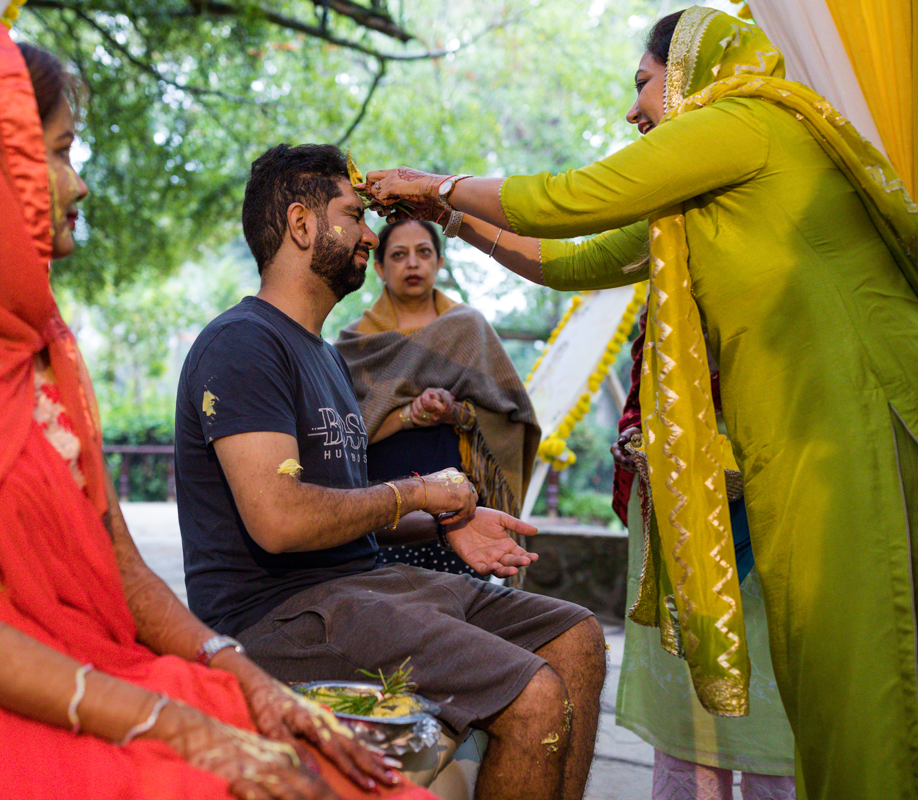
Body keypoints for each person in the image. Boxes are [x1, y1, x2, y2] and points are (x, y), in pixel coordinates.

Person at [0, 24, 430, 800]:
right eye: (61, 153)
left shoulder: (36, 339)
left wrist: (235, 671)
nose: (80, 183)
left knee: (347, 773)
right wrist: (178, 724)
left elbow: (121, 568)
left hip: (77, 660)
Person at [362, 6, 918, 798]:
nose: (633, 109)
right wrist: (450, 217)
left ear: (689, 68)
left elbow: (575, 197)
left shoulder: (744, 119)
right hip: (793, 443)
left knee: (865, 682)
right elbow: (576, 258)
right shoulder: (697, 191)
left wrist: (437, 182)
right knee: (821, 683)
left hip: (855, 425)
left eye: (643, 84)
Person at [174, 142, 607, 800]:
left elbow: (348, 516)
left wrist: (446, 521)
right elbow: (281, 519)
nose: (369, 234)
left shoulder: (321, 356)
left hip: (367, 586)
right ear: (300, 225)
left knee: (577, 638)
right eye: (354, 215)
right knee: (534, 695)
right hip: (283, 616)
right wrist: (419, 490)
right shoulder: (243, 343)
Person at [611, 312, 796, 800]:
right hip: (674, 498)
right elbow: (641, 400)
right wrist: (638, 442)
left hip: (782, 484)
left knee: (780, 699)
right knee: (687, 699)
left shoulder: (783, 277)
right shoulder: (668, 278)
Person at [333, 220, 540, 575]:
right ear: (380, 268)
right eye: (399, 255)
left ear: (439, 263)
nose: (412, 264)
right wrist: (410, 415)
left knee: (460, 613)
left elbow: (509, 416)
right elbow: (346, 433)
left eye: (424, 252)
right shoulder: (354, 344)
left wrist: (454, 413)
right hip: (381, 511)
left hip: (456, 514)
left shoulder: (468, 328)